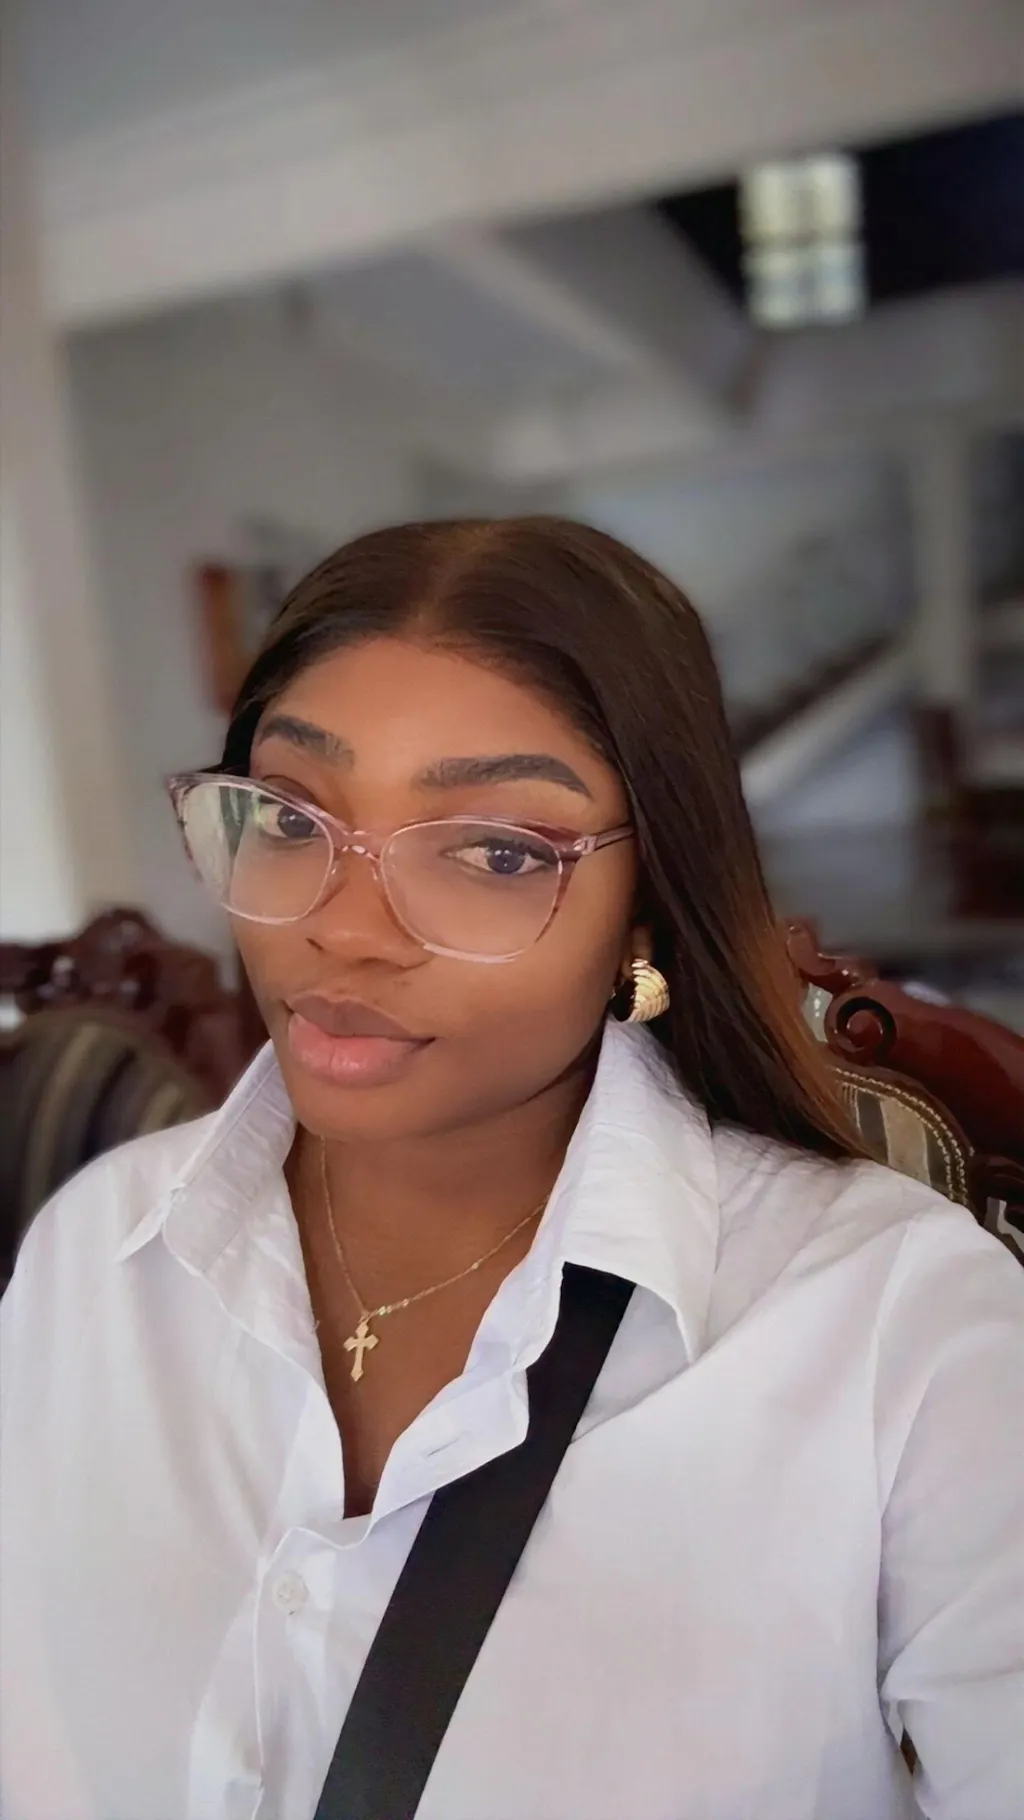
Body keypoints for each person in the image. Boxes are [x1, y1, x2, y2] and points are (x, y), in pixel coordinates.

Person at [1, 518, 1021, 1820]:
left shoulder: (897, 1333)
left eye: (495, 852)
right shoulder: (94, 1251)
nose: (344, 933)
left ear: (648, 900)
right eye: (292, 817)